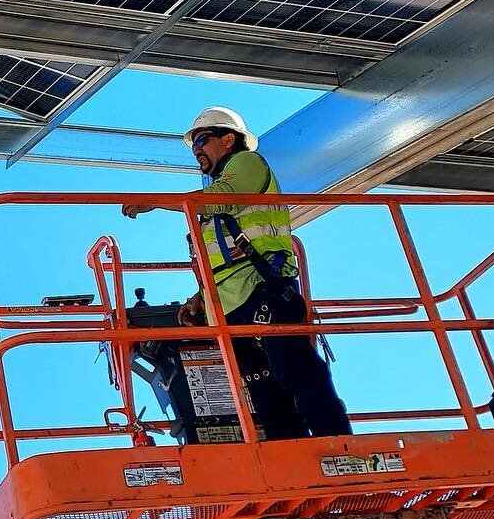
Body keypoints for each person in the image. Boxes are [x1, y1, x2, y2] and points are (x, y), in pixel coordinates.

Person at [123, 107, 351, 440]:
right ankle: (292, 460)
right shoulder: (212, 200)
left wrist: (154, 201)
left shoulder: (246, 163)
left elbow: (222, 200)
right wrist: (200, 300)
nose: (197, 150)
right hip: (232, 309)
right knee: (265, 392)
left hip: (265, 291)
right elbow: (223, 261)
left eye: (202, 140)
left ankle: (339, 447)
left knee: (296, 373)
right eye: (193, 145)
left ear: (228, 139)